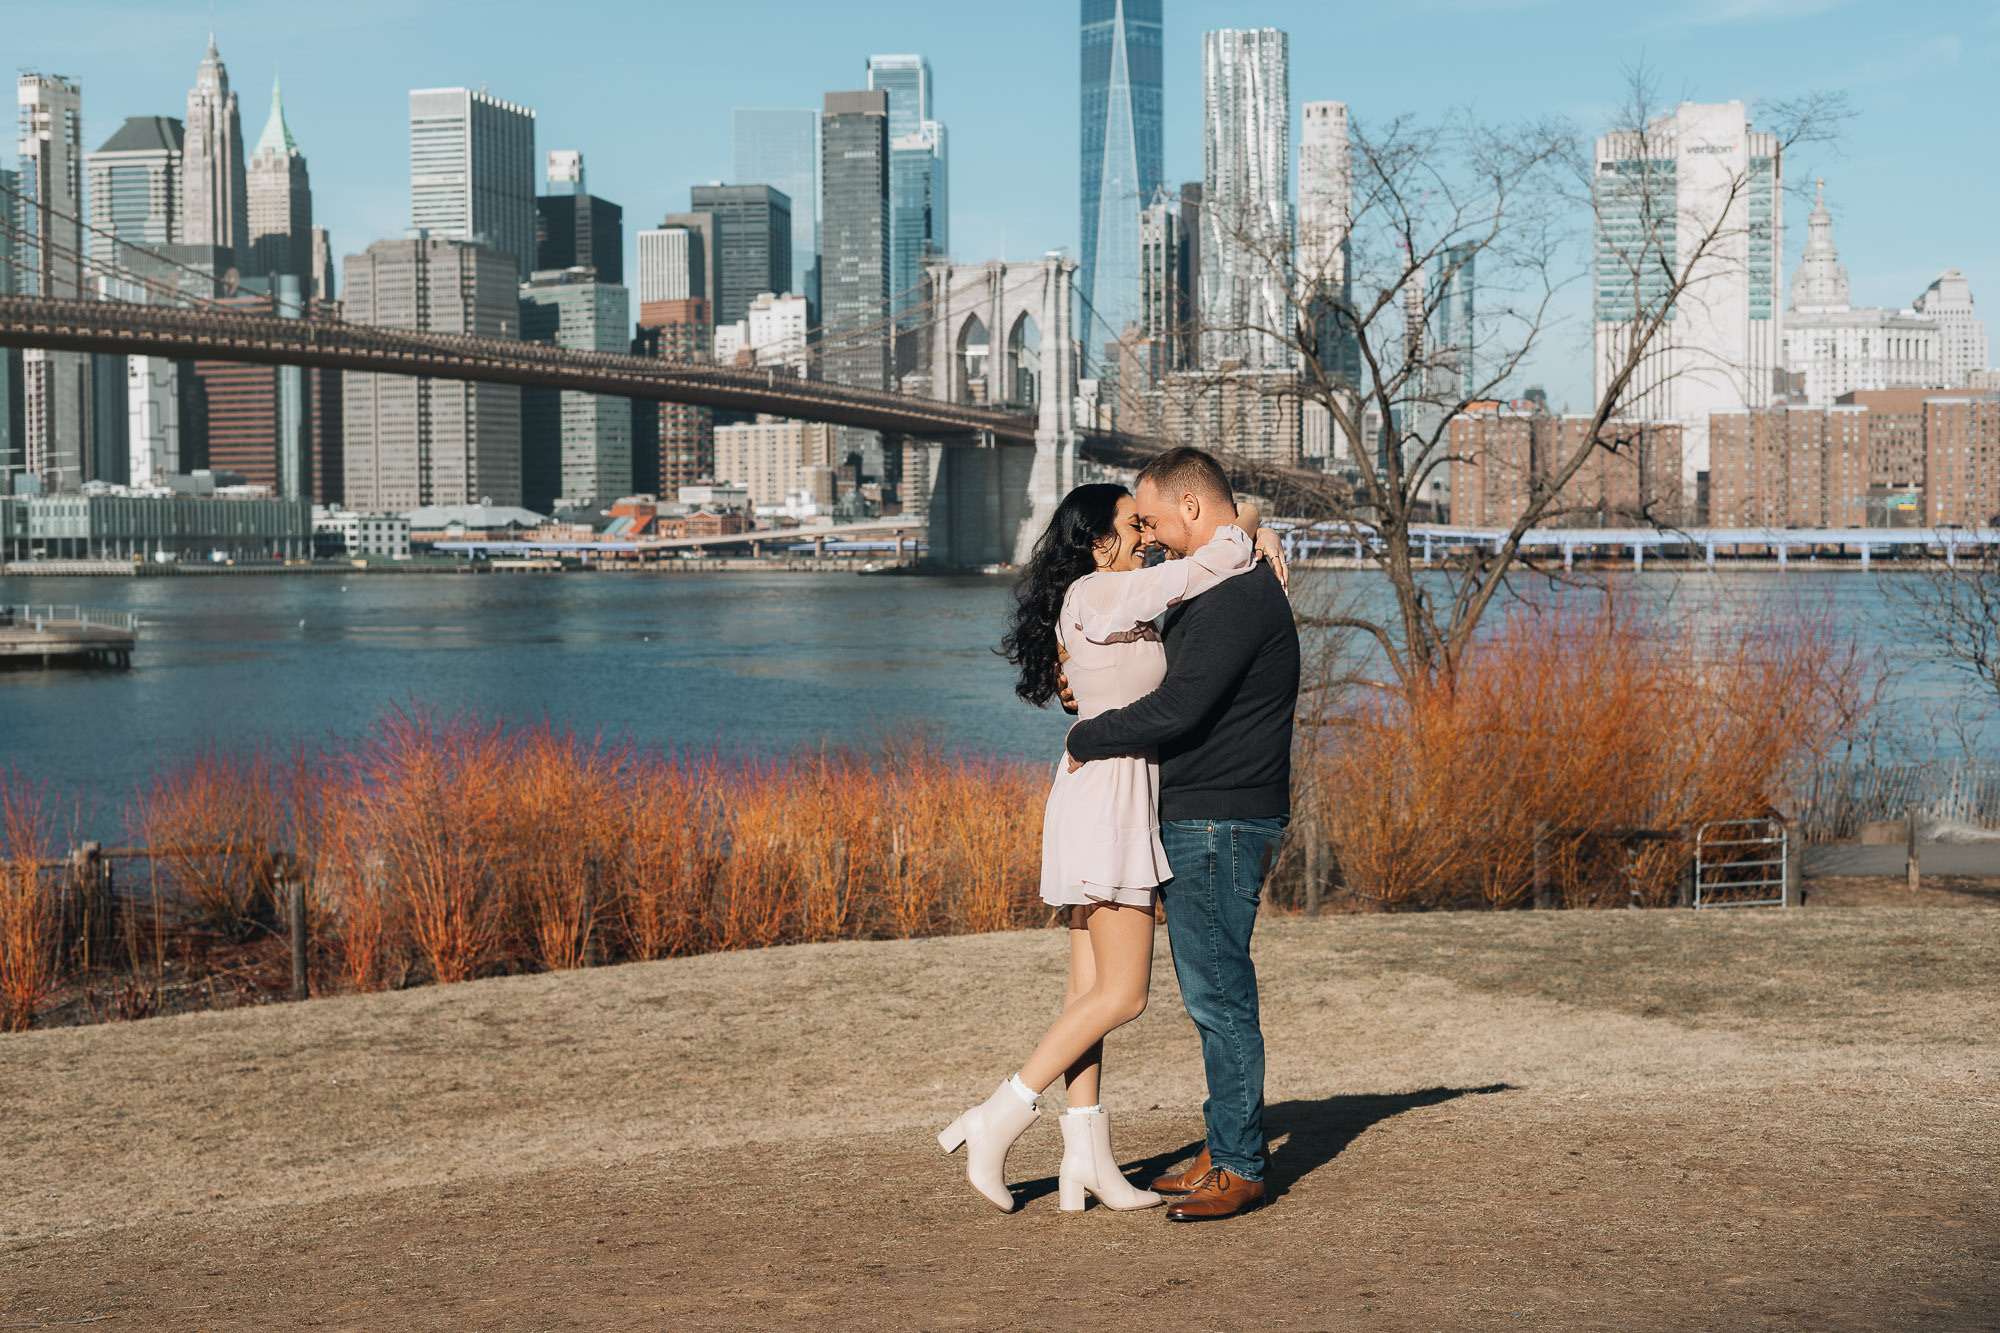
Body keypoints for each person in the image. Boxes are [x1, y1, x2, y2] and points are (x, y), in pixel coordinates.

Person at [936, 480, 1286, 1214]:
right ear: (1097, 541)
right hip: (1111, 802)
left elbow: (1200, 554)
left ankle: (1084, 1155)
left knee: (1086, 994)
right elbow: (1203, 559)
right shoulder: (1101, 592)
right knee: (1123, 994)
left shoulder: (1112, 601)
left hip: (1102, 795)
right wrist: (1246, 531)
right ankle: (998, 1115)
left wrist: (1258, 525)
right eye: (1133, 525)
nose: (1147, 536)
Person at [1064, 446, 1301, 1222]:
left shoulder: (1233, 595)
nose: (1155, 536)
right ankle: (1225, 1139)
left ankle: (1238, 1162)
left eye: (1158, 519)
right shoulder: (1226, 577)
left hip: (1218, 819)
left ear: (1193, 511)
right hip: (1213, 813)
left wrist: (1088, 738)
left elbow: (1179, 708)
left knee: (1218, 994)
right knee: (1213, 989)